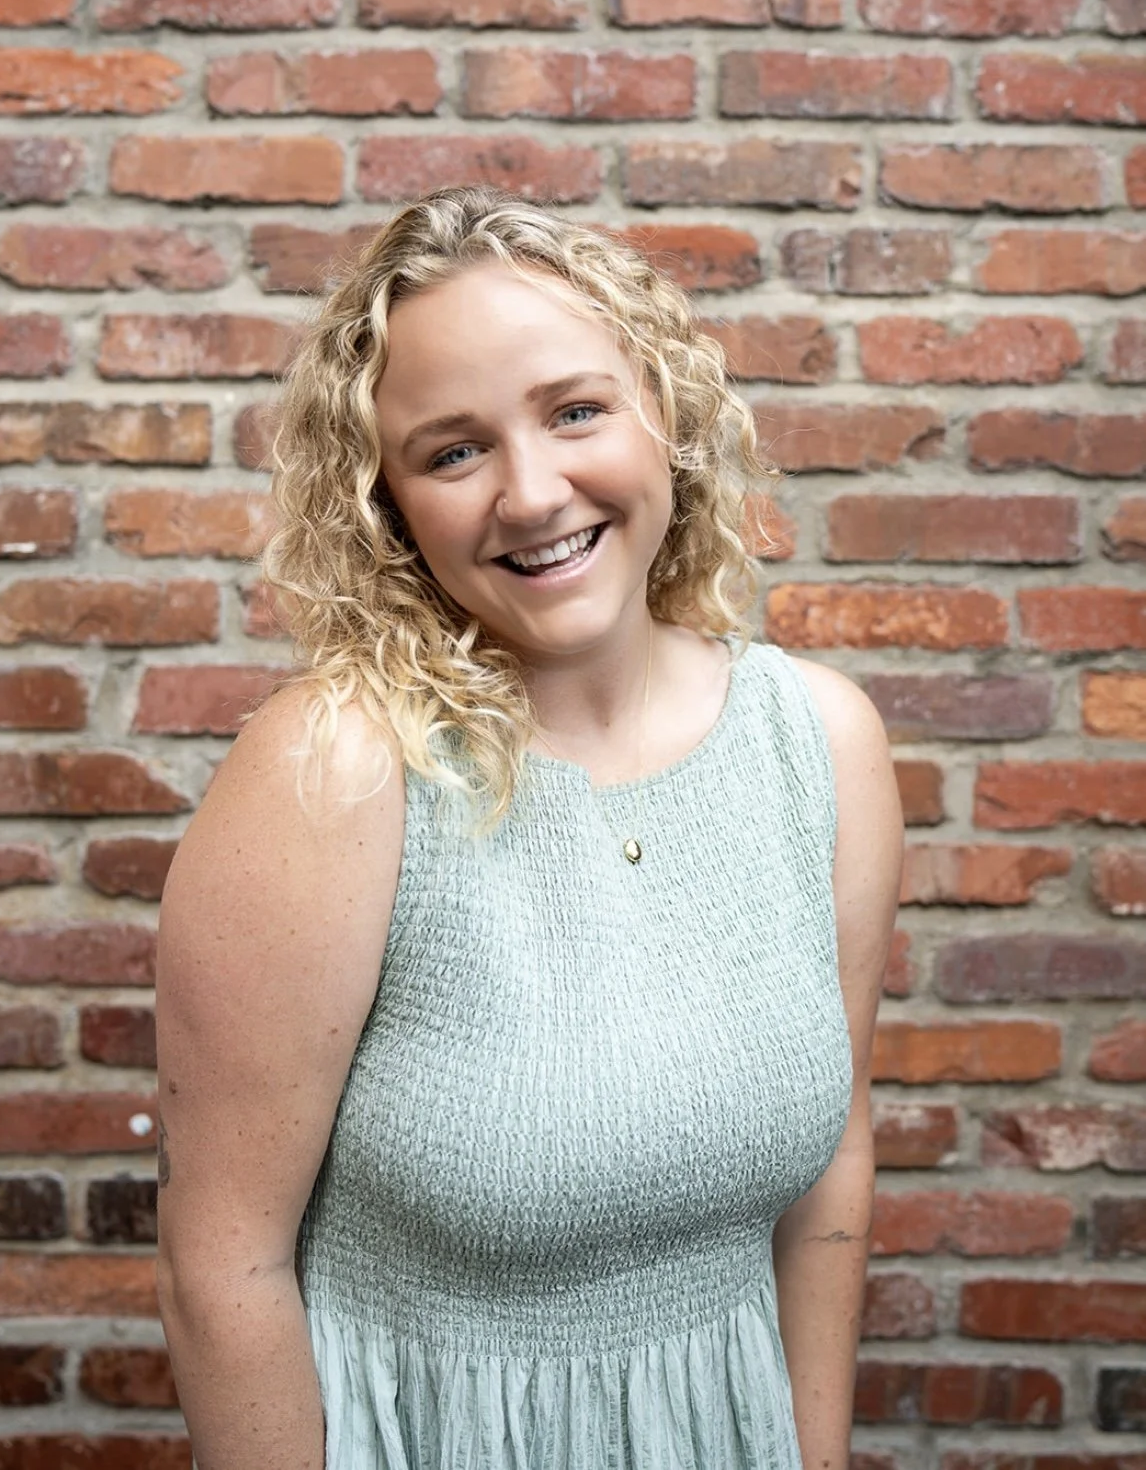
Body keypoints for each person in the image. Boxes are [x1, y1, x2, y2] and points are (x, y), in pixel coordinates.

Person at [154, 186, 903, 1470]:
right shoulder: (340, 768)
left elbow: (831, 1162)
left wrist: (811, 1454)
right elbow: (223, 1269)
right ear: (389, 508)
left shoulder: (819, 741)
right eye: (452, 452)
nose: (531, 491)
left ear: (662, 415)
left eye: (574, 411)